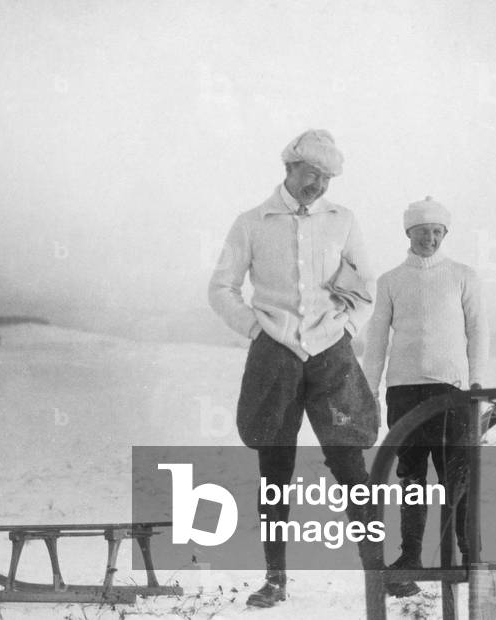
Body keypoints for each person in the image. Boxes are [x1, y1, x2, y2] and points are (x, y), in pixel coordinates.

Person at [209, 129, 379, 608]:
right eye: (312, 174)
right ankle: (276, 578)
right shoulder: (252, 223)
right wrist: (256, 329)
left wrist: (346, 328)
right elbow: (221, 287)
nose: (318, 186)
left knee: (351, 463)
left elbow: (366, 283)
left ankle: (377, 571)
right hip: (275, 354)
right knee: (274, 467)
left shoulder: (342, 221)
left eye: (327, 178)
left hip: (331, 354)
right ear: (289, 168)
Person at [361, 196, 489, 596]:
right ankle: (410, 558)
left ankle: (469, 557)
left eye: (437, 232)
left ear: (445, 234)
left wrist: (477, 385)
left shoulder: (463, 276)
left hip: (452, 393)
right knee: (412, 479)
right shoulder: (390, 281)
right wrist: (370, 390)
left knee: (458, 479)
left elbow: (478, 331)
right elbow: (377, 339)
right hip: (404, 393)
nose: (429, 238)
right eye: (422, 231)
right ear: (409, 233)